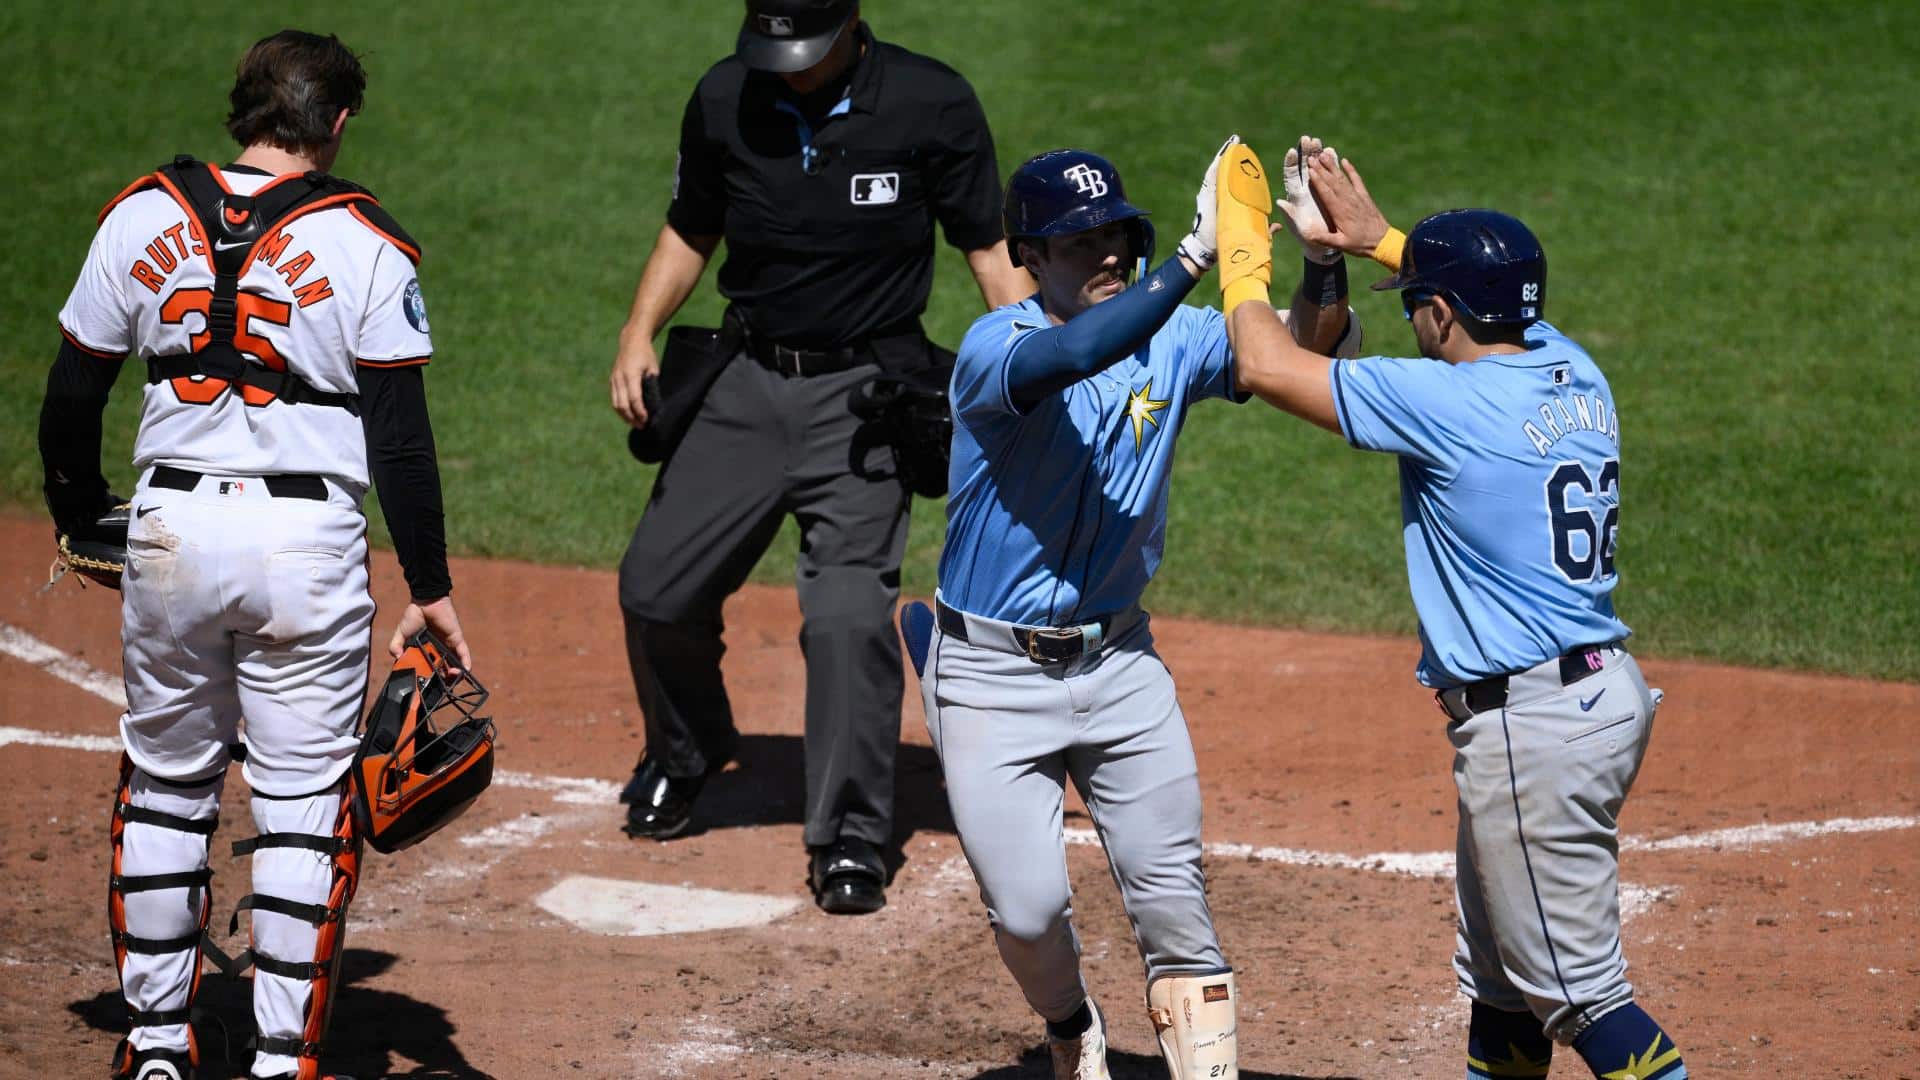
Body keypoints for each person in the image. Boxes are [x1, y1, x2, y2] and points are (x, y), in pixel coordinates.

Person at [40, 30, 469, 1080]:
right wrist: (433, 587)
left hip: (171, 534)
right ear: (339, 123)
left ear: (241, 113)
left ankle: (152, 1049)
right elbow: (401, 442)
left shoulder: (140, 213)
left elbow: (73, 392)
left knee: (167, 788)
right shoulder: (370, 242)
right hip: (303, 548)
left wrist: (82, 509)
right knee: (301, 810)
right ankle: (282, 1062)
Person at [1224, 138, 1688, 1080]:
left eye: (1417, 309)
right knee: (1502, 989)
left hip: (1534, 732)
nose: (1411, 325)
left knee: (1585, 998)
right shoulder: (1574, 371)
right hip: (1591, 697)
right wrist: (1376, 241)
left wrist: (1241, 247)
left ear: (1440, 314)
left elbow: (1269, 368)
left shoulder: (1443, 403)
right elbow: (1484, 302)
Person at [911, 138, 1352, 1080]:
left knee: (1173, 902)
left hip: (1118, 665)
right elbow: (1078, 352)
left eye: (1117, 235)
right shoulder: (999, 349)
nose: (1106, 253)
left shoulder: (1176, 337)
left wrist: (1320, 262)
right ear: (1026, 256)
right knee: (1028, 914)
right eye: (1077, 242)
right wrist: (1192, 261)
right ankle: (1071, 1029)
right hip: (991, 672)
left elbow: (1299, 349)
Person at [608, 0, 1029, 915]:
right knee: (655, 590)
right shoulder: (726, 97)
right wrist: (641, 329)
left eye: (803, 50)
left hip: (867, 396)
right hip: (746, 381)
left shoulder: (931, 103)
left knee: (844, 617)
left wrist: (1040, 371)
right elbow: (691, 227)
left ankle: (850, 834)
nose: (787, 68)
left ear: (850, 24)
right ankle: (685, 750)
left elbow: (990, 255)